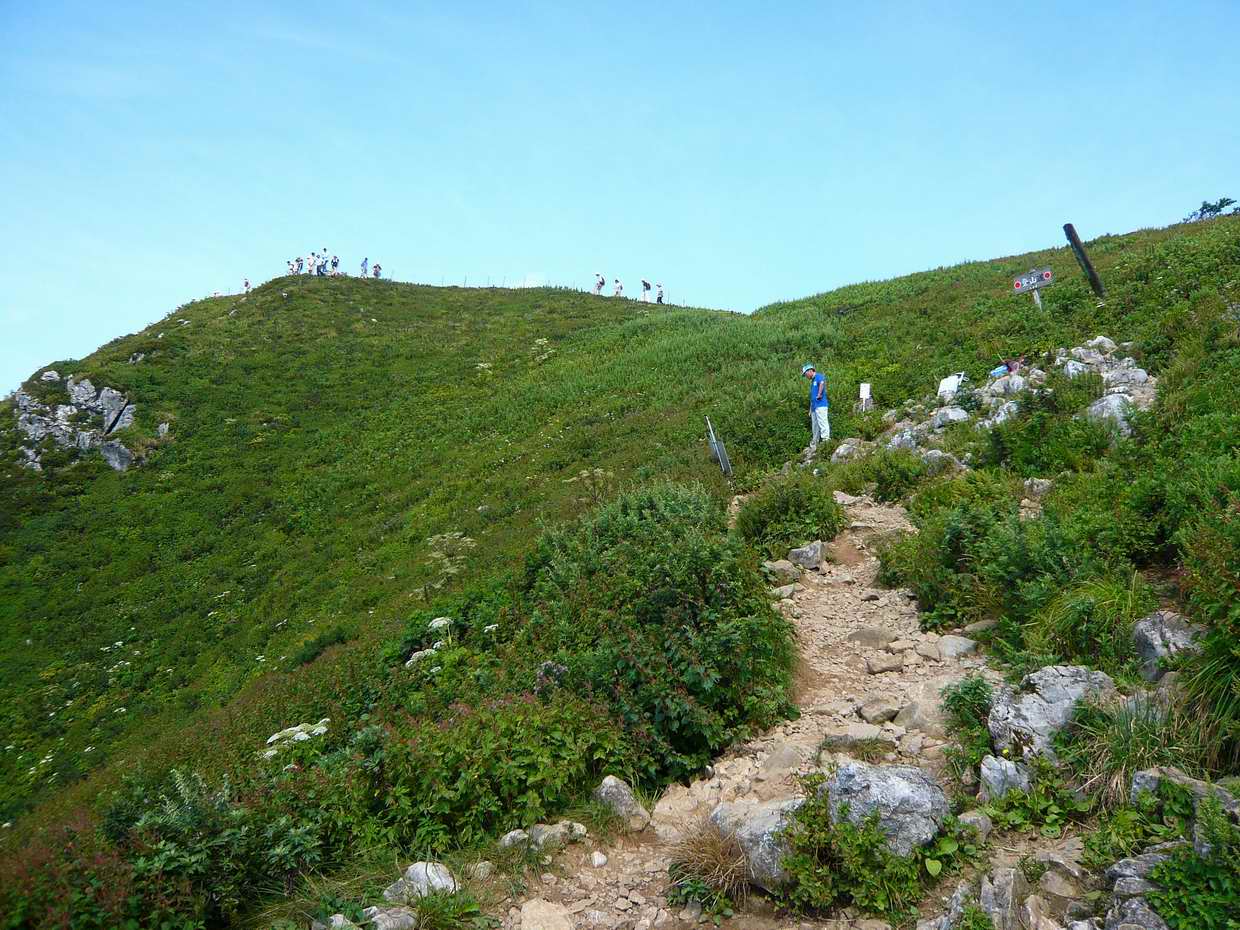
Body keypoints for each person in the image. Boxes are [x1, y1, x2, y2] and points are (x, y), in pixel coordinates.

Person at [801, 363, 830, 452]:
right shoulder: (812, 381)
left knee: (823, 422)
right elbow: (812, 397)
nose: (806, 376)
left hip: (821, 405)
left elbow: (822, 383)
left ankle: (826, 441)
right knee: (815, 426)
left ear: (810, 371)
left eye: (805, 374)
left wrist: (819, 394)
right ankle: (815, 442)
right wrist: (810, 409)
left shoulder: (818, 376)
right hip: (814, 407)